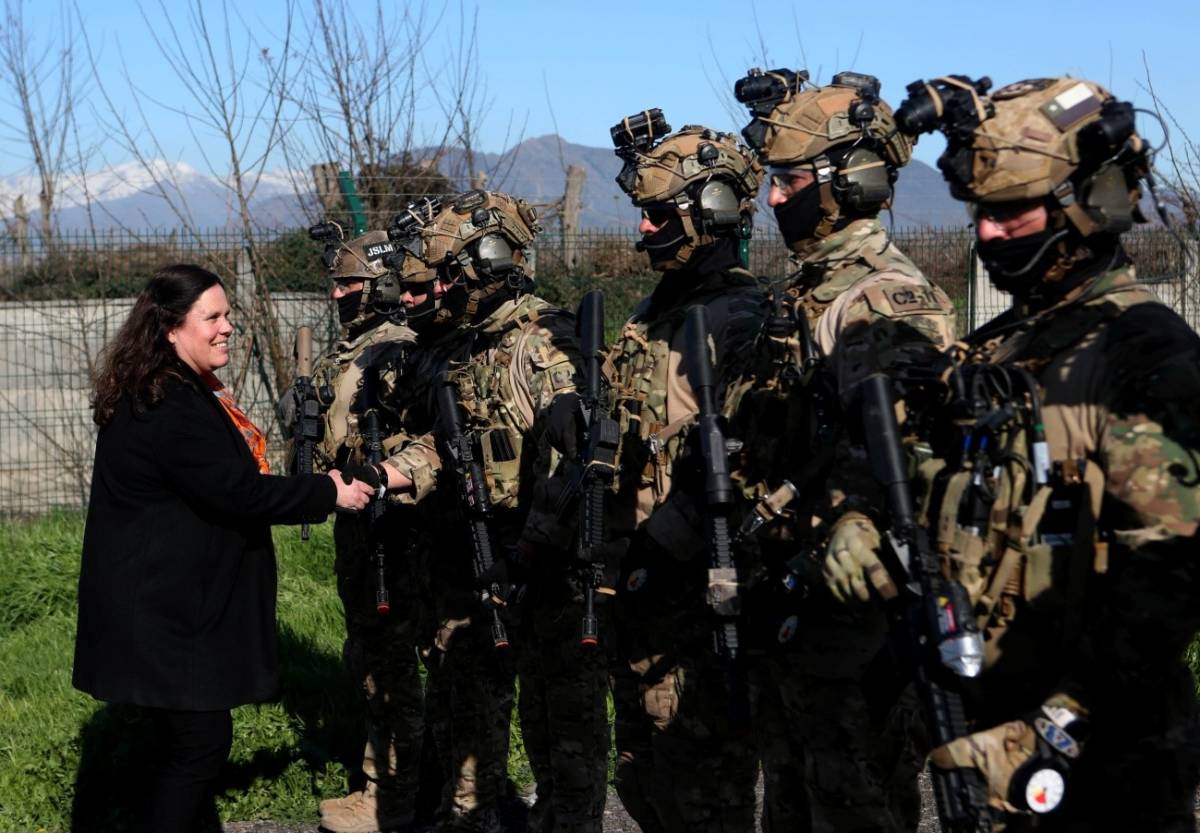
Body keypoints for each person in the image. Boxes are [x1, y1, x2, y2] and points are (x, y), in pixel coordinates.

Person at [890, 74, 1200, 831]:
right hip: (989, 726)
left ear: (1090, 204)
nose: (988, 234)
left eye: (1011, 212)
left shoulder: (1142, 351)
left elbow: (1168, 581)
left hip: (1104, 764)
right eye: (979, 214)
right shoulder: (1003, 350)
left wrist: (1054, 727)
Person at [725, 69, 957, 832]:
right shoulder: (805, 294)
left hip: (857, 631)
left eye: (788, 180)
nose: (771, 199)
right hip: (794, 612)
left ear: (848, 182)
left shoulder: (881, 298)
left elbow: (916, 467)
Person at [72, 264, 372, 833]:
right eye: (212, 317)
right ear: (170, 328)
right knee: (199, 745)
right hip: (164, 614)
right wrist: (327, 492)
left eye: (227, 314)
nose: (228, 327)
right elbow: (238, 492)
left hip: (164, 605)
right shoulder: (168, 405)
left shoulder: (173, 389)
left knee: (185, 746)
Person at [368, 191, 587, 833]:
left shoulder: (544, 343)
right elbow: (449, 441)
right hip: (489, 554)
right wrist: (397, 470)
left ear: (489, 262)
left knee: (560, 730)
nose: (438, 287)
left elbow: (579, 467)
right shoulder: (472, 347)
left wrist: (534, 546)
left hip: (548, 564)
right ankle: (477, 812)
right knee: (481, 699)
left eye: (448, 273)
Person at [601, 111, 767, 833]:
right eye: (643, 214)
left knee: (703, 790)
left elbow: (744, 462)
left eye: (659, 215)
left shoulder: (741, 318)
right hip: (637, 587)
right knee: (642, 779)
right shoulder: (654, 311)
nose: (644, 230)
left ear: (714, 211)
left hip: (695, 598)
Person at [290, 225, 428, 833]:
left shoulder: (395, 347)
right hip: (355, 523)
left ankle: (392, 795)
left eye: (348, 283)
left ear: (380, 285)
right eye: (335, 283)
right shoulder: (349, 349)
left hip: (391, 528)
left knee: (391, 660)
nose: (337, 294)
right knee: (367, 656)